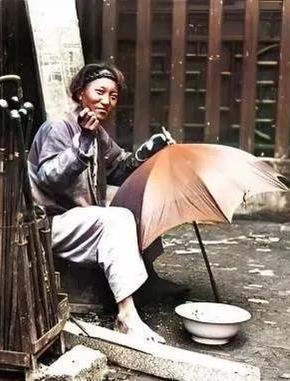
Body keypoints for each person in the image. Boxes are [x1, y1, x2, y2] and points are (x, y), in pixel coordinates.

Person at [27, 63, 186, 343]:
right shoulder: (57, 127)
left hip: (80, 219)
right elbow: (48, 178)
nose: (106, 101)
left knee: (140, 203)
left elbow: (120, 168)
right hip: (49, 223)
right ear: (80, 93)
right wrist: (81, 144)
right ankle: (126, 315)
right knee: (117, 218)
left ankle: (147, 281)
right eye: (99, 92)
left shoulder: (97, 133)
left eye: (113, 95)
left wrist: (151, 149)